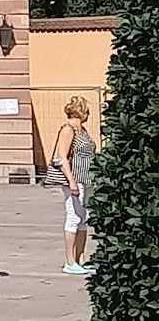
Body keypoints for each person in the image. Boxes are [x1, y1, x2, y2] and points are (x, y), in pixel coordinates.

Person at [48, 96, 97, 275]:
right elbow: (61, 156)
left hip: (87, 179)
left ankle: (80, 258)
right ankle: (69, 261)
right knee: (73, 217)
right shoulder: (68, 129)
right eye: (87, 111)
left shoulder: (82, 130)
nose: (88, 115)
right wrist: (71, 180)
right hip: (75, 179)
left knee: (83, 219)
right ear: (80, 111)